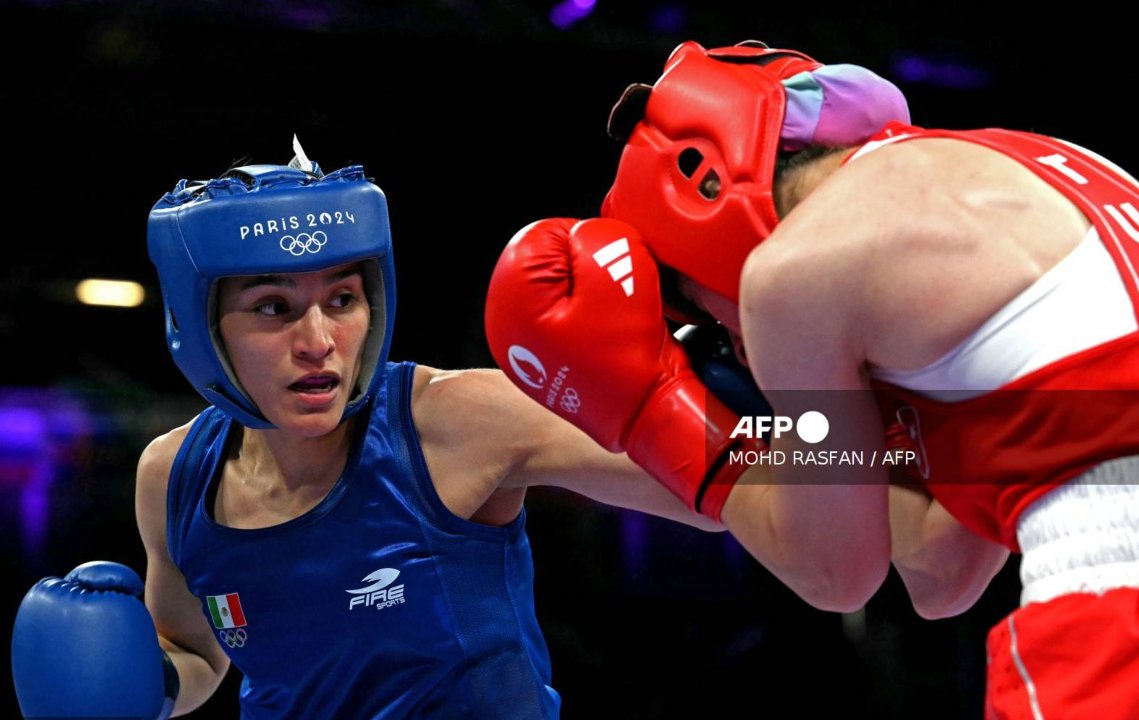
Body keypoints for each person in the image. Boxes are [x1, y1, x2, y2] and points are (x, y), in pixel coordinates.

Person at [484, 41, 1139, 718]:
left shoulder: (796, 273)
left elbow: (836, 571)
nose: (729, 339)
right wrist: (820, 452)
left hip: (1135, 613)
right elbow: (944, 570)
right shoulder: (1035, 164)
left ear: (707, 203)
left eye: (695, 303)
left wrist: (658, 409)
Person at [11, 141, 722, 719]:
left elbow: (730, 483)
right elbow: (193, 650)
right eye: (273, 308)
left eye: (343, 299)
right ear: (202, 330)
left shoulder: (447, 421)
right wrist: (147, 685)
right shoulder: (173, 479)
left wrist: (778, 376)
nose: (319, 340)